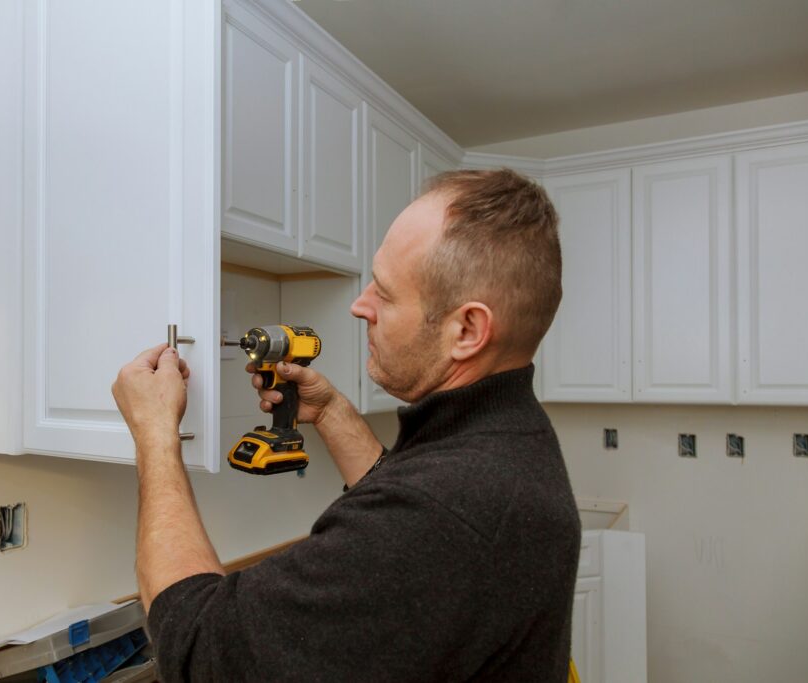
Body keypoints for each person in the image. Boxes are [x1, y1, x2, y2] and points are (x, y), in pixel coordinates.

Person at [112, 168, 580, 682]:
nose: (360, 307)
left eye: (384, 291)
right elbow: (414, 493)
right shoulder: (508, 439)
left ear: (467, 329)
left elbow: (201, 648)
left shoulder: (445, 509)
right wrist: (332, 413)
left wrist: (155, 435)